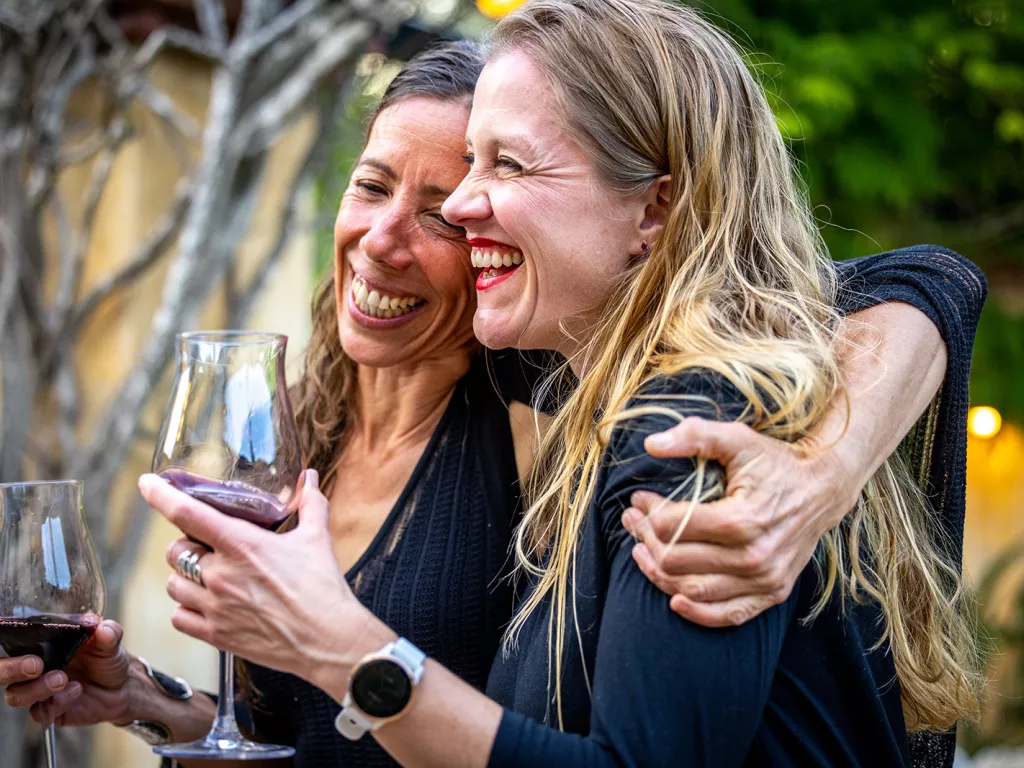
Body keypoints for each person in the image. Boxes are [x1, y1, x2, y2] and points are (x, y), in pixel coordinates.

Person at [2, 22, 981, 767]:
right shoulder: (309, 423)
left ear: (653, 206)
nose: (405, 228)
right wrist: (144, 700)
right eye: (371, 184)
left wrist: (821, 470)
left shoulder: (572, 399)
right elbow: (311, 737)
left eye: (476, 182)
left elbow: (923, 279)